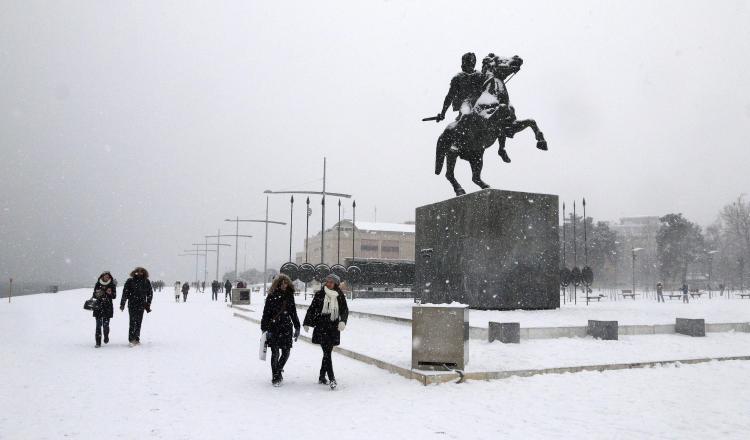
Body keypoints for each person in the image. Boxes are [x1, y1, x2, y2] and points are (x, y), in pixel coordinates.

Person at [302, 273, 349, 390]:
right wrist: (307, 322)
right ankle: (332, 379)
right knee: (327, 353)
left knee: (327, 352)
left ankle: (322, 376)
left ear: (336, 284)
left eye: (331, 282)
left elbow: (344, 310)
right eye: (327, 282)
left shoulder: (340, 295)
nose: (329, 284)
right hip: (321, 326)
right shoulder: (320, 294)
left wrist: (343, 321)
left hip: (333, 326)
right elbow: (312, 309)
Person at [261, 274, 301, 386]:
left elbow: (293, 313)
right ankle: (275, 377)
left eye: (286, 283)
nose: (284, 285)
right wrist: (264, 329)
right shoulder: (271, 296)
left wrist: (297, 327)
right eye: (282, 283)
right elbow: (266, 314)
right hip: (273, 328)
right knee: (275, 352)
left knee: (286, 352)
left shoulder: (289, 296)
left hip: (286, 327)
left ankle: (278, 370)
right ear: (278, 284)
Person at [119, 267, 153, 347]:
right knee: (132, 322)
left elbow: (150, 293)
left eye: (141, 272)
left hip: (141, 304)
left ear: (144, 273)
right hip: (132, 304)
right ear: (135, 272)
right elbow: (125, 293)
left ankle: (137, 339)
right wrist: (122, 304)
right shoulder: (130, 281)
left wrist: (148, 303)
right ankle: (131, 339)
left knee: (138, 322)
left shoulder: (146, 281)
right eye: (138, 271)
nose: (139, 273)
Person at [92, 271, 117, 347]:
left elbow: (114, 296)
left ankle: (106, 336)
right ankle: (98, 342)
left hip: (107, 307)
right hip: (98, 306)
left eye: (108, 276)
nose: (107, 277)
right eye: (105, 276)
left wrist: (110, 293)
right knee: (98, 325)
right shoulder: (98, 284)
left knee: (106, 326)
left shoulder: (112, 284)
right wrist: (98, 293)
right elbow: (94, 295)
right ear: (102, 276)